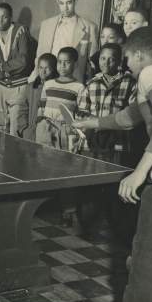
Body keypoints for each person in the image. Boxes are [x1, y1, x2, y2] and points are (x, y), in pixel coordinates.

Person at [74, 27, 152, 302]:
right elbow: (128, 118)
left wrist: (140, 171)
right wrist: (87, 123)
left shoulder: (151, 74)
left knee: (148, 261)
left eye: (127, 57)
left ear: (139, 54)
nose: (125, 64)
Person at [76, 43, 136, 239]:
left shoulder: (129, 83)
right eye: (102, 58)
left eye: (111, 59)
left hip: (118, 142)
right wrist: (85, 123)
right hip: (92, 142)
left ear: (119, 61)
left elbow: (133, 113)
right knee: (89, 185)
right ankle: (87, 227)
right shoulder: (92, 83)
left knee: (115, 184)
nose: (106, 62)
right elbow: (82, 110)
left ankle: (118, 230)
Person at [36, 47, 84, 229]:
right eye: (59, 62)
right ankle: (40, 208)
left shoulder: (79, 87)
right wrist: (41, 125)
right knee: (43, 169)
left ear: (74, 64)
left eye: (67, 62)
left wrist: (71, 133)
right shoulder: (48, 85)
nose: (62, 66)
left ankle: (67, 212)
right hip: (45, 131)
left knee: (66, 172)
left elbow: (80, 115)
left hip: (65, 133)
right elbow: (41, 108)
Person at [0, 3, 31, 136]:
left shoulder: (20, 31)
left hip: (18, 86)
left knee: (16, 127)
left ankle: (13, 155)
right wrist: (6, 71)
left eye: (4, 17)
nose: (0, 20)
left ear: (10, 17)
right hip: (0, 86)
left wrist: (0, 66)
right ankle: (0, 156)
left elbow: (22, 61)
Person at [35, 0, 99, 83]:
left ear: (75, 1)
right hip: (48, 77)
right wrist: (37, 76)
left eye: (69, 3)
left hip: (74, 80)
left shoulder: (90, 27)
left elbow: (92, 63)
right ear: (57, 2)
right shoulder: (46, 25)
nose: (65, 7)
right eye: (61, 3)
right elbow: (39, 55)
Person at [22, 53, 57, 142]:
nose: (43, 71)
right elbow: (23, 108)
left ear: (54, 69)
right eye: (41, 68)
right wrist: (23, 128)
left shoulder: (56, 88)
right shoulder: (31, 87)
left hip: (48, 135)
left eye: (47, 68)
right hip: (30, 134)